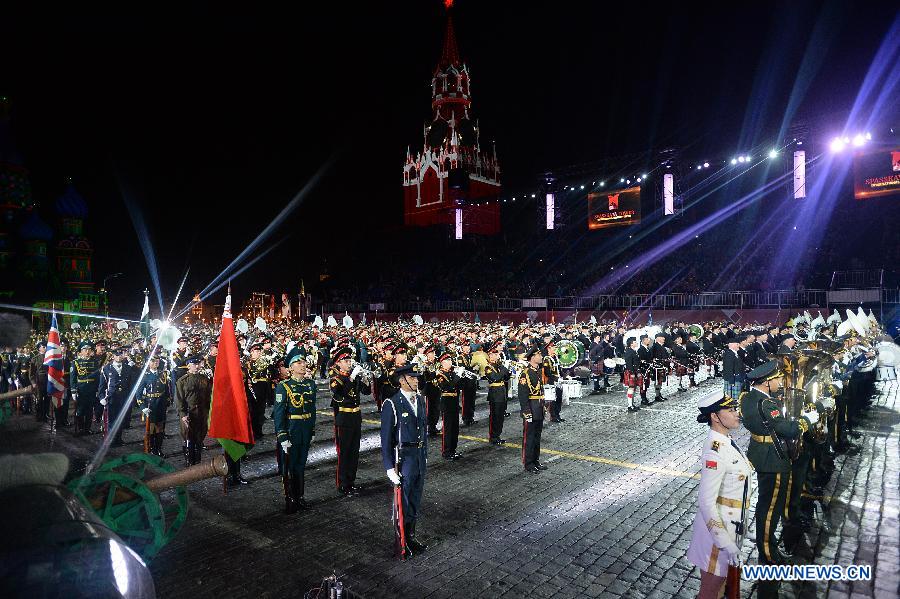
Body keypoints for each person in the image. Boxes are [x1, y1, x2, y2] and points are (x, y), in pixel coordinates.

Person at [739, 360, 820, 594]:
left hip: (763, 454)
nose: (779, 382)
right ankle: (767, 553)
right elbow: (789, 429)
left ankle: (770, 547)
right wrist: (806, 420)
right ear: (766, 382)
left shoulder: (749, 398)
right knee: (769, 508)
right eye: (776, 379)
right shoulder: (767, 403)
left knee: (769, 506)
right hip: (772, 459)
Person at [687, 394, 756, 599]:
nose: (737, 414)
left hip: (730, 528)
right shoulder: (714, 452)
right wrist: (725, 542)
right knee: (710, 592)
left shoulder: (726, 441)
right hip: (717, 538)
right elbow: (706, 503)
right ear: (715, 417)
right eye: (731, 410)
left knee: (720, 589)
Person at [380, 363, 428, 560]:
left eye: (417, 377)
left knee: (415, 497)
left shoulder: (421, 400)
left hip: (418, 455)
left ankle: (411, 536)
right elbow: (386, 438)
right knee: (404, 500)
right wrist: (389, 467)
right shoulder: (392, 403)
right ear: (402, 380)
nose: (417, 380)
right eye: (413, 377)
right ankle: (401, 541)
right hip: (404, 457)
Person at [273, 347, 317, 513]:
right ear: (290, 367)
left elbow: (311, 410)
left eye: (304, 361)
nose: (303, 364)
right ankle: (290, 498)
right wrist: (282, 437)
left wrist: (312, 430)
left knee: (300, 465)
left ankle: (300, 496)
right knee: (288, 466)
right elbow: (278, 415)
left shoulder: (310, 384)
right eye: (298, 362)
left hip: (304, 430)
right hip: (291, 431)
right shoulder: (283, 387)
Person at [330, 346, 369, 497]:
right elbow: (339, 393)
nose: (349, 363)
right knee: (344, 452)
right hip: (344, 418)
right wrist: (351, 378)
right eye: (346, 361)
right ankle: (342, 483)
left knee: (354, 452)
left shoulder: (354, 376)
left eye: (350, 360)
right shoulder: (336, 379)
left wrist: (365, 379)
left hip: (355, 417)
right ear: (338, 363)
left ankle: (351, 482)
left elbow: (366, 392)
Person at [175, 355, 212, 465]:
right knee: (188, 437)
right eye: (194, 364)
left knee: (200, 436)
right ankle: (189, 461)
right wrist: (183, 414)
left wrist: (209, 412)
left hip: (202, 412)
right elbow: (179, 399)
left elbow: (209, 396)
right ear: (188, 366)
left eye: (197, 364)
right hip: (189, 413)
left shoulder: (204, 379)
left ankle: (197, 460)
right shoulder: (182, 381)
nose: (197, 366)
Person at [98, 346, 138, 446]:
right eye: (117, 355)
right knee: (111, 419)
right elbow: (102, 385)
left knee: (121, 419)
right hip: (112, 397)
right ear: (113, 356)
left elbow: (131, 383)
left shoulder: (128, 367)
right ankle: (111, 440)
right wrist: (101, 397)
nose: (119, 357)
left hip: (123, 396)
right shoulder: (107, 368)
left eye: (121, 355)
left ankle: (118, 439)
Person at [519, 345, 546, 474]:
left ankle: (535, 460)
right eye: (538, 355)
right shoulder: (526, 373)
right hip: (531, 407)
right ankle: (528, 463)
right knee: (529, 437)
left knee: (537, 436)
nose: (541, 357)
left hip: (539, 407)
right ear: (532, 358)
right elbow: (522, 395)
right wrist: (526, 411)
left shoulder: (536, 371)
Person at [137, 353, 170, 456]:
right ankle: (151, 449)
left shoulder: (163, 374)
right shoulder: (145, 376)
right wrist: (143, 408)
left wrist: (167, 403)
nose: (155, 363)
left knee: (160, 429)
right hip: (150, 405)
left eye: (157, 361)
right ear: (148, 363)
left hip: (161, 404)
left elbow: (167, 390)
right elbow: (138, 394)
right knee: (151, 430)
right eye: (152, 361)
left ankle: (158, 449)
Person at [434, 351, 463, 460]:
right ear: (442, 362)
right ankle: (446, 451)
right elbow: (447, 387)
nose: (450, 362)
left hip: (454, 402)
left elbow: (459, 386)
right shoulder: (440, 374)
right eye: (447, 360)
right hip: (446, 402)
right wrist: (458, 375)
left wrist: (462, 376)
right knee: (448, 428)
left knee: (455, 428)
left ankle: (453, 450)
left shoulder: (452, 372)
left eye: (450, 360)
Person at [483, 339, 510, 444]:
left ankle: (497, 435)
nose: (497, 356)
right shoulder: (488, 367)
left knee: (500, 417)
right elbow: (496, 378)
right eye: (494, 354)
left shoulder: (499, 365)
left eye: (497, 354)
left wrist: (507, 370)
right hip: (495, 394)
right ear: (490, 356)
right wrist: (504, 369)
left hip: (502, 392)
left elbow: (506, 378)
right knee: (495, 417)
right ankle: (493, 437)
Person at [71, 341, 100, 436]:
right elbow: (73, 378)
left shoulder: (95, 362)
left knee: (89, 410)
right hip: (81, 389)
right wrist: (74, 391)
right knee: (80, 410)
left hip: (92, 389)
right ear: (81, 351)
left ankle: (87, 429)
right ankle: (80, 428)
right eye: (85, 349)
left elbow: (98, 378)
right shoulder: (75, 362)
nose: (87, 351)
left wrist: (97, 390)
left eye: (89, 350)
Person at [622, 337, 641, 412]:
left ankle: (632, 404)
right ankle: (630, 406)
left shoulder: (633, 351)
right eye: (635, 342)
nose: (636, 343)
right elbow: (629, 363)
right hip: (631, 372)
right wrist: (632, 373)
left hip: (634, 371)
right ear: (631, 344)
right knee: (631, 388)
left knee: (634, 388)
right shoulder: (629, 351)